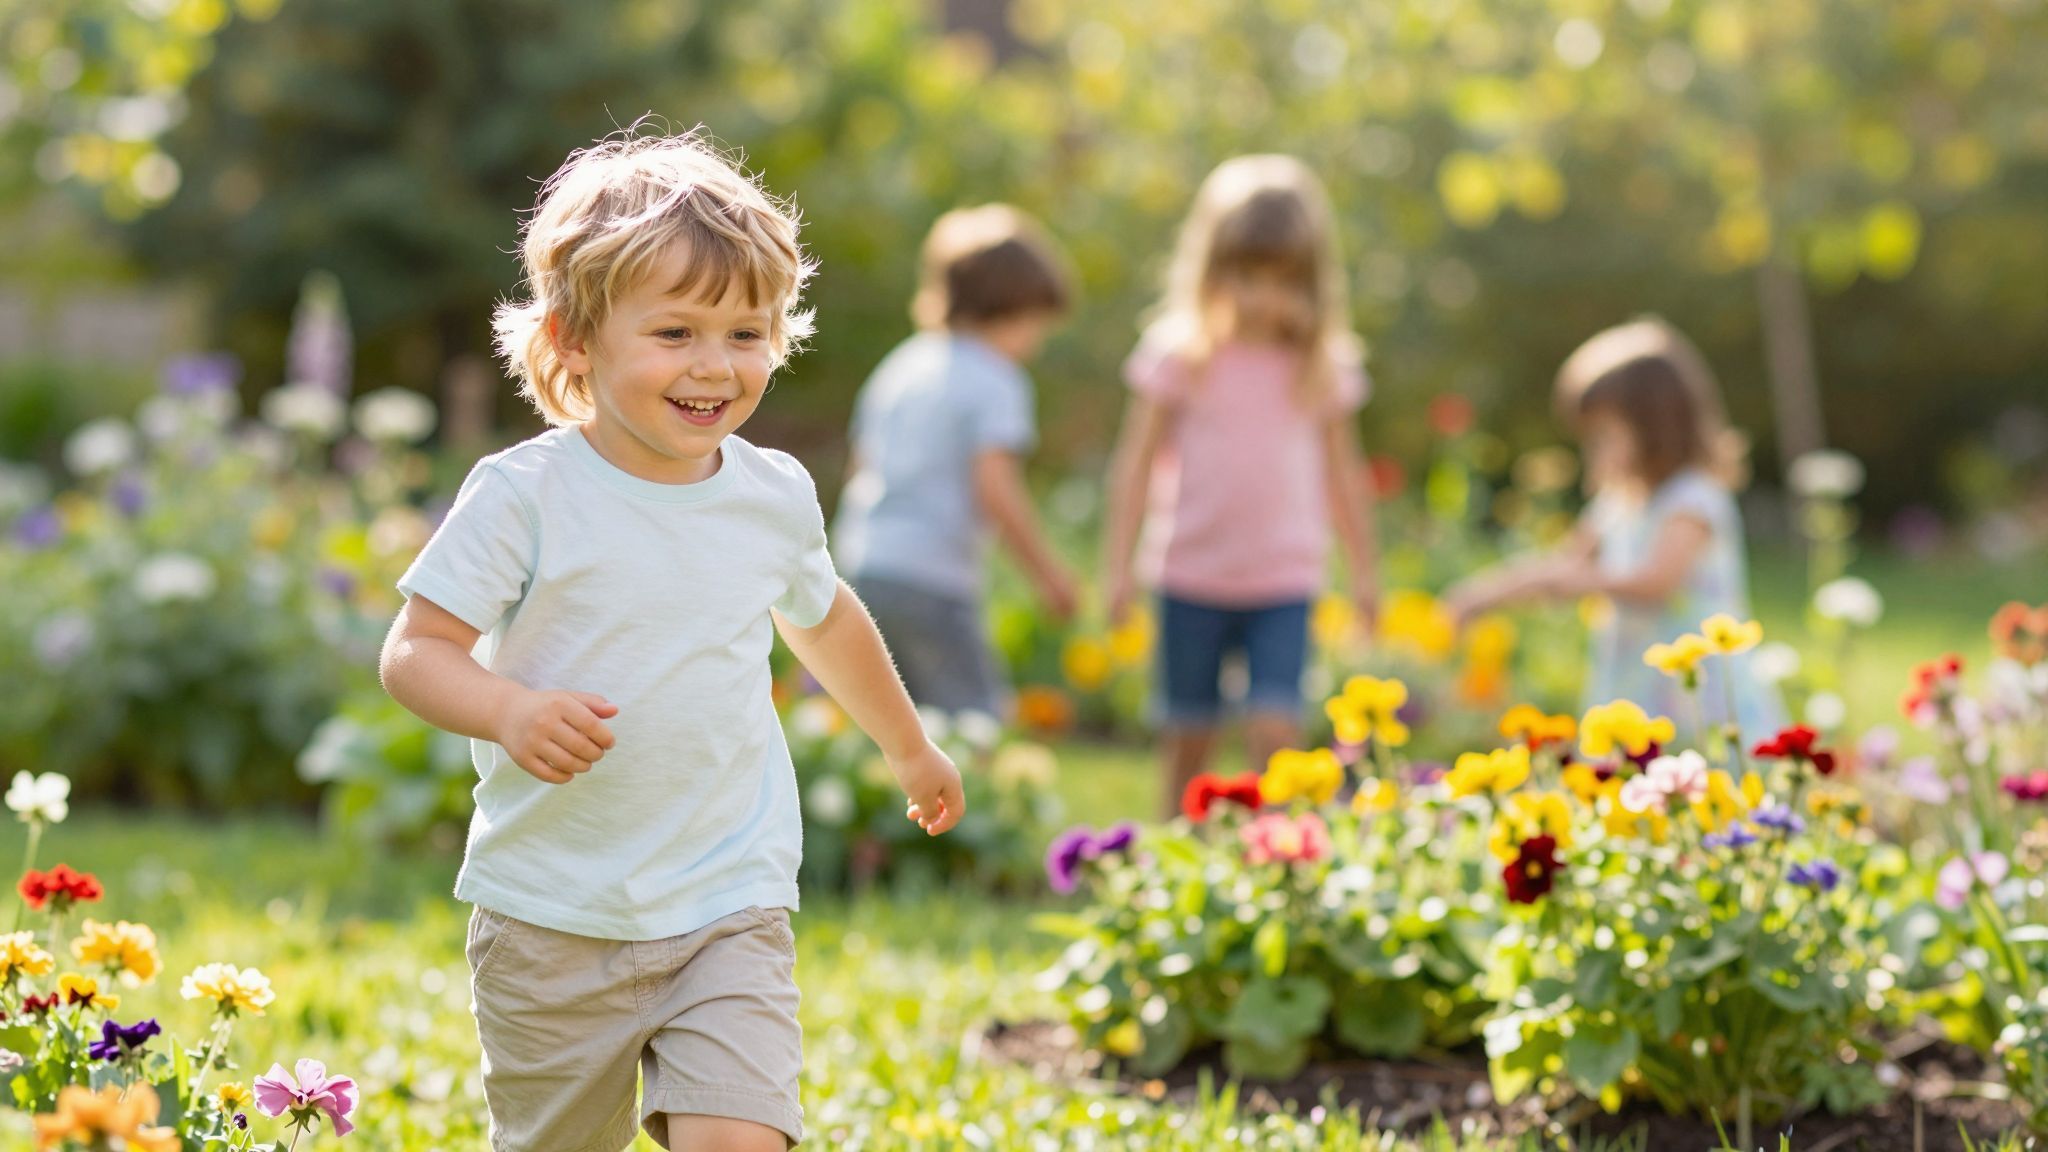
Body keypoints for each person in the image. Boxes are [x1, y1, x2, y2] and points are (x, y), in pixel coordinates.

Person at [378, 129, 963, 1152]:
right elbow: (415, 651)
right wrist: (507, 709)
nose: (714, 367)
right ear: (573, 339)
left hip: (725, 900)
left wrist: (907, 747)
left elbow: (823, 620)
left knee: (739, 1137)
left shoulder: (771, 494)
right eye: (675, 333)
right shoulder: (525, 496)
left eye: (747, 334)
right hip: (551, 911)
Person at [1099, 155, 1380, 819]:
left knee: (1276, 731)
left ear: (1314, 284)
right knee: (1187, 732)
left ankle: (1279, 861)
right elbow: (1134, 464)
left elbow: (1347, 476)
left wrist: (1367, 573)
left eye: (1286, 282)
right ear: (1212, 270)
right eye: (1247, 277)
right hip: (1191, 574)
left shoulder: (1320, 368)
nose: (1264, 298)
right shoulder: (1180, 355)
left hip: (1284, 579)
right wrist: (1116, 569)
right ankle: (1171, 858)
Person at [1444, 317, 1781, 740]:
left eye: (1602, 435)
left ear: (1656, 426)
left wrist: (1582, 582)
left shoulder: (1692, 499)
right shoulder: (1619, 503)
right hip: (1635, 687)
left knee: (1698, 783)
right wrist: (1480, 596)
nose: (1593, 450)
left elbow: (1656, 581)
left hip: (1698, 698)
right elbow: (1562, 564)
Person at [831, 204, 1078, 717]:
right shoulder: (996, 380)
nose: (1036, 342)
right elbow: (996, 489)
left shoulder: (902, 364)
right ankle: (975, 800)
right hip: (933, 577)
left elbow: (860, 467)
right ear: (1013, 307)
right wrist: (1048, 575)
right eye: (1037, 324)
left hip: (864, 562)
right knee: (975, 718)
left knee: (885, 718)